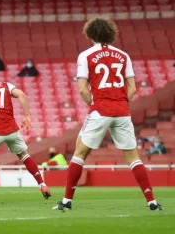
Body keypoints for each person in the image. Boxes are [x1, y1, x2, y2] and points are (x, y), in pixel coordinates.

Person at [52, 17, 162, 211]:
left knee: (80, 153)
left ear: (89, 34)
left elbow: (83, 90)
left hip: (100, 109)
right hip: (122, 111)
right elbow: (133, 88)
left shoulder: (85, 56)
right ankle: (152, 202)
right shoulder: (123, 56)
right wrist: (119, 102)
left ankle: (67, 202)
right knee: (133, 158)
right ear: (111, 33)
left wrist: (94, 104)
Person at [0, 65, 51, 203]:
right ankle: (42, 185)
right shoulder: (6, 85)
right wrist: (27, 116)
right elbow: (22, 95)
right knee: (24, 155)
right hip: (12, 130)